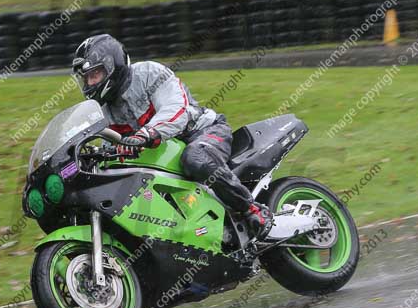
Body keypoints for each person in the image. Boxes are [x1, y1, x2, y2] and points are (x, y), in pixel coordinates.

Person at [71, 34, 273, 241]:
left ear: (112, 66)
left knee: (195, 158)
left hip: (201, 131)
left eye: (94, 74)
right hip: (161, 152)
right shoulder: (102, 110)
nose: (89, 83)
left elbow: (177, 110)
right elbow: (110, 144)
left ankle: (252, 209)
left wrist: (146, 133)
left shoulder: (149, 73)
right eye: (85, 78)